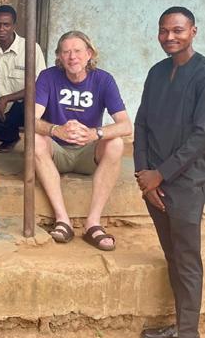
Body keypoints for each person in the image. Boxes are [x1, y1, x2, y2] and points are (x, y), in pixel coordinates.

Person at [134, 7, 205, 338]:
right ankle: (180, 327)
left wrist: (161, 174)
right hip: (154, 184)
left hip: (187, 184)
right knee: (173, 257)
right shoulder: (157, 73)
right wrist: (144, 176)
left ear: (193, 31)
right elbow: (141, 123)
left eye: (177, 30)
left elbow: (201, 136)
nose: (169, 37)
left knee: (187, 263)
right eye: (163, 31)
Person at [34, 31, 132, 250]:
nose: (72, 57)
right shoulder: (48, 77)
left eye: (77, 51)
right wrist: (56, 130)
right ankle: (63, 220)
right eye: (66, 52)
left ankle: (92, 223)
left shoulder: (103, 80)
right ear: (59, 57)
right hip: (57, 151)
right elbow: (30, 119)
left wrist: (94, 134)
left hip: (88, 153)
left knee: (115, 143)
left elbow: (126, 125)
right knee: (35, 140)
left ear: (89, 54)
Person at [0, 5, 46, 152]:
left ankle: (37, 148)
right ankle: (10, 138)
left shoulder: (31, 47)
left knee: (35, 108)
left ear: (14, 26)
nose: (1, 29)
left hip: (21, 104)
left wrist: (6, 99)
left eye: (6, 24)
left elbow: (40, 85)